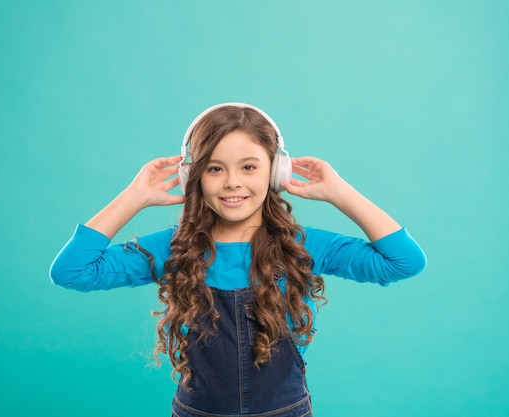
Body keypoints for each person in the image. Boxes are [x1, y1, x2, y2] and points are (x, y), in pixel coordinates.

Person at [49, 103, 427, 417]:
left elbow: (404, 261)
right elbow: (72, 271)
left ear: (275, 172)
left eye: (249, 167)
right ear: (192, 176)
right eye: (215, 168)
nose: (232, 182)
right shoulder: (174, 248)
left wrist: (338, 192)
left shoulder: (304, 246)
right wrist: (134, 196)